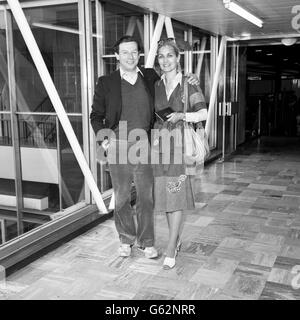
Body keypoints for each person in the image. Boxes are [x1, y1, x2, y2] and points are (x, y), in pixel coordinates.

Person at [90, 35, 199, 259]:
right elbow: (96, 116)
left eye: (134, 52)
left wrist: (191, 77)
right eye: (125, 52)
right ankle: (125, 239)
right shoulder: (106, 82)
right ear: (117, 56)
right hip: (119, 146)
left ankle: (146, 242)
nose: (130, 56)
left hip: (146, 145)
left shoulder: (149, 76)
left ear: (138, 55)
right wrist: (105, 141)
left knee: (146, 197)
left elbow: (173, 75)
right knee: (121, 198)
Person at [152, 38, 208, 269]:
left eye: (170, 55)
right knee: (166, 198)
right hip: (159, 148)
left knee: (176, 195)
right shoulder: (155, 85)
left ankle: (171, 246)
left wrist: (182, 116)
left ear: (178, 58)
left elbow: (203, 113)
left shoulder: (189, 83)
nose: (165, 60)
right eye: (161, 56)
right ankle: (174, 241)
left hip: (180, 149)